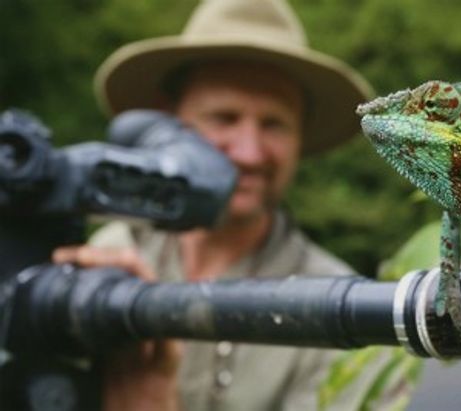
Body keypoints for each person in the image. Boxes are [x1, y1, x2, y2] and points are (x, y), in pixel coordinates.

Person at [52, 0, 392, 410]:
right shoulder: (110, 259)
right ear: (169, 123)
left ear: (300, 136)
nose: (249, 153)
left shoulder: (342, 315)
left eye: (274, 124)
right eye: (224, 117)